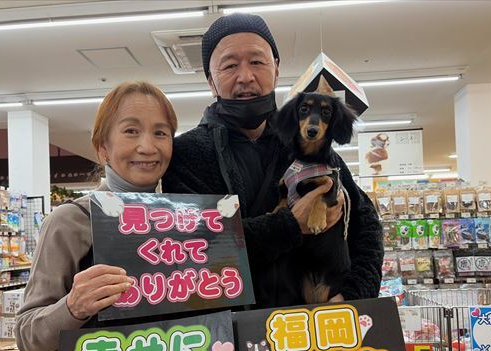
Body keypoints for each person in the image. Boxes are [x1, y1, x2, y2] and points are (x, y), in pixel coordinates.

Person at [15, 81, 226, 351]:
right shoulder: (72, 221)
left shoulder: (192, 222)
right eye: (131, 131)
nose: (148, 146)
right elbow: (27, 334)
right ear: (103, 148)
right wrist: (73, 307)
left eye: (160, 133)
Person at [163, 13, 384, 310]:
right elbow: (194, 247)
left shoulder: (312, 146)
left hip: (309, 325)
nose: (245, 76)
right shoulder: (187, 153)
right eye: (230, 65)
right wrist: (289, 225)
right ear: (211, 81)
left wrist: (351, 296)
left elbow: (366, 225)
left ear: (276, 70)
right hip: (229, 329)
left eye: (257, 62)